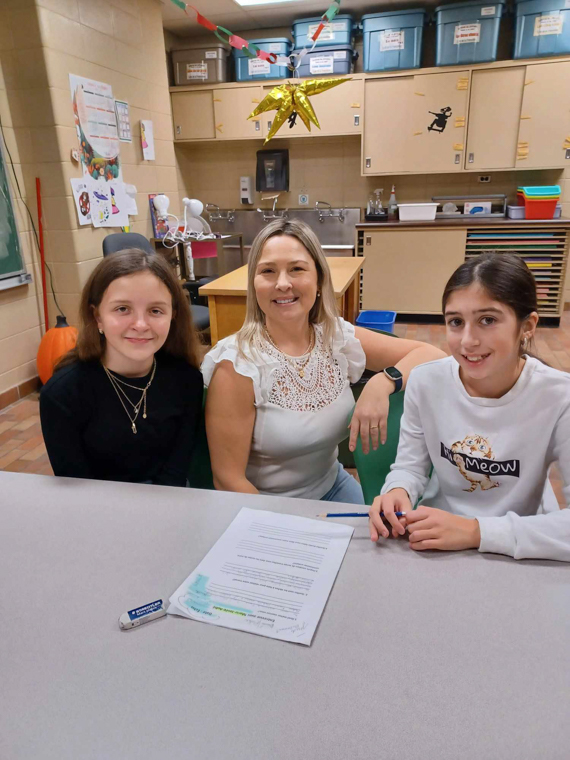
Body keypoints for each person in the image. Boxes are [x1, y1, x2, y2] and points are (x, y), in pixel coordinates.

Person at [203, 219, 445, 503]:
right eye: (268, 271)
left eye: (296, 269)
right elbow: (228, 480)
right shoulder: (238, 365)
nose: (282, 283)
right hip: (267, 505)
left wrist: (383, 381)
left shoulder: (335, 336)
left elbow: (433, 356)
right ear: (254, 285)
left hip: (334, 485)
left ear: (318, 279)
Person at [369, 253, 570, 561]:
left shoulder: (559, 397)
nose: (467, 341)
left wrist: (475, 531)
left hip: (520, 547)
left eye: (487, 320)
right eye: (456, 322)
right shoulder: (426, 382)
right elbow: (410, 467)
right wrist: (398, 490)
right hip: (436, 539)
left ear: (527, 326)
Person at [40, 248, 204, 487]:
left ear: (173, 316)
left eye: (155, 311)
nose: (140, 324)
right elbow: (76, 486)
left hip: (169, 501)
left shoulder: (187, 380)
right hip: (97, 509)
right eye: (122, 309)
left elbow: (176, 471)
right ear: (97, 317)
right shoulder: (62, 394)